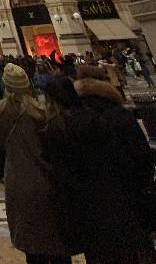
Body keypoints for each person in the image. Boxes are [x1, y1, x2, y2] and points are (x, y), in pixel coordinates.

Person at [44, 76, 155, 264]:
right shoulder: (112, 116)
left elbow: (62, 174)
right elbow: (139, 159)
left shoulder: (62, 126)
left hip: (89, 211)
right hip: (125, 203)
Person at [0, 64, 71, 264]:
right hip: (49, 180)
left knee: (32, 245)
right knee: (57, 241)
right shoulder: (43, 111)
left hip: (19, 181)